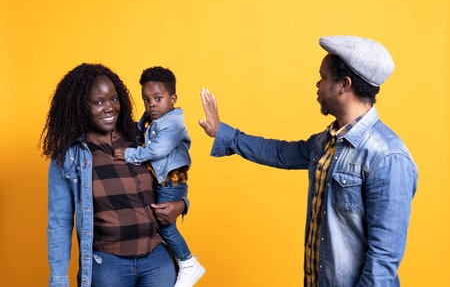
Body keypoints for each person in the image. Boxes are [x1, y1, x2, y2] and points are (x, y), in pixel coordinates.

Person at [199, 36, 418, 286]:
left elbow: (383, 261)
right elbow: (280, 153)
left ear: (344, 85)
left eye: (323, 76)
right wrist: (223, 133)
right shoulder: (327, 141)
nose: (317, 83)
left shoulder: (387, 156)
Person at [41, 63, 187, 287]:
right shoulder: (70, 155)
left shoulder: (140, 136)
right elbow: (59, 223)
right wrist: (59, 281)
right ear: (81, 106)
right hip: (109, 266)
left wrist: (182, 204)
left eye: (113, 99)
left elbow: (172, 175)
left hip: (157, 260)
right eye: (98, 102)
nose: (109, 108)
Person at [115, 66, 205, 287]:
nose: (151, 104)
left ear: (172, 99)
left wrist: (129, 154)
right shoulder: (153, 119)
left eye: (158, 98)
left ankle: (187, 262)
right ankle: (178, 260)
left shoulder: (173, 124)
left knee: (165, 225)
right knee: (158, 224)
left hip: (171, 184)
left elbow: (156, 151)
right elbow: (141, 128)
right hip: (164, 182)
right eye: (147, 100)